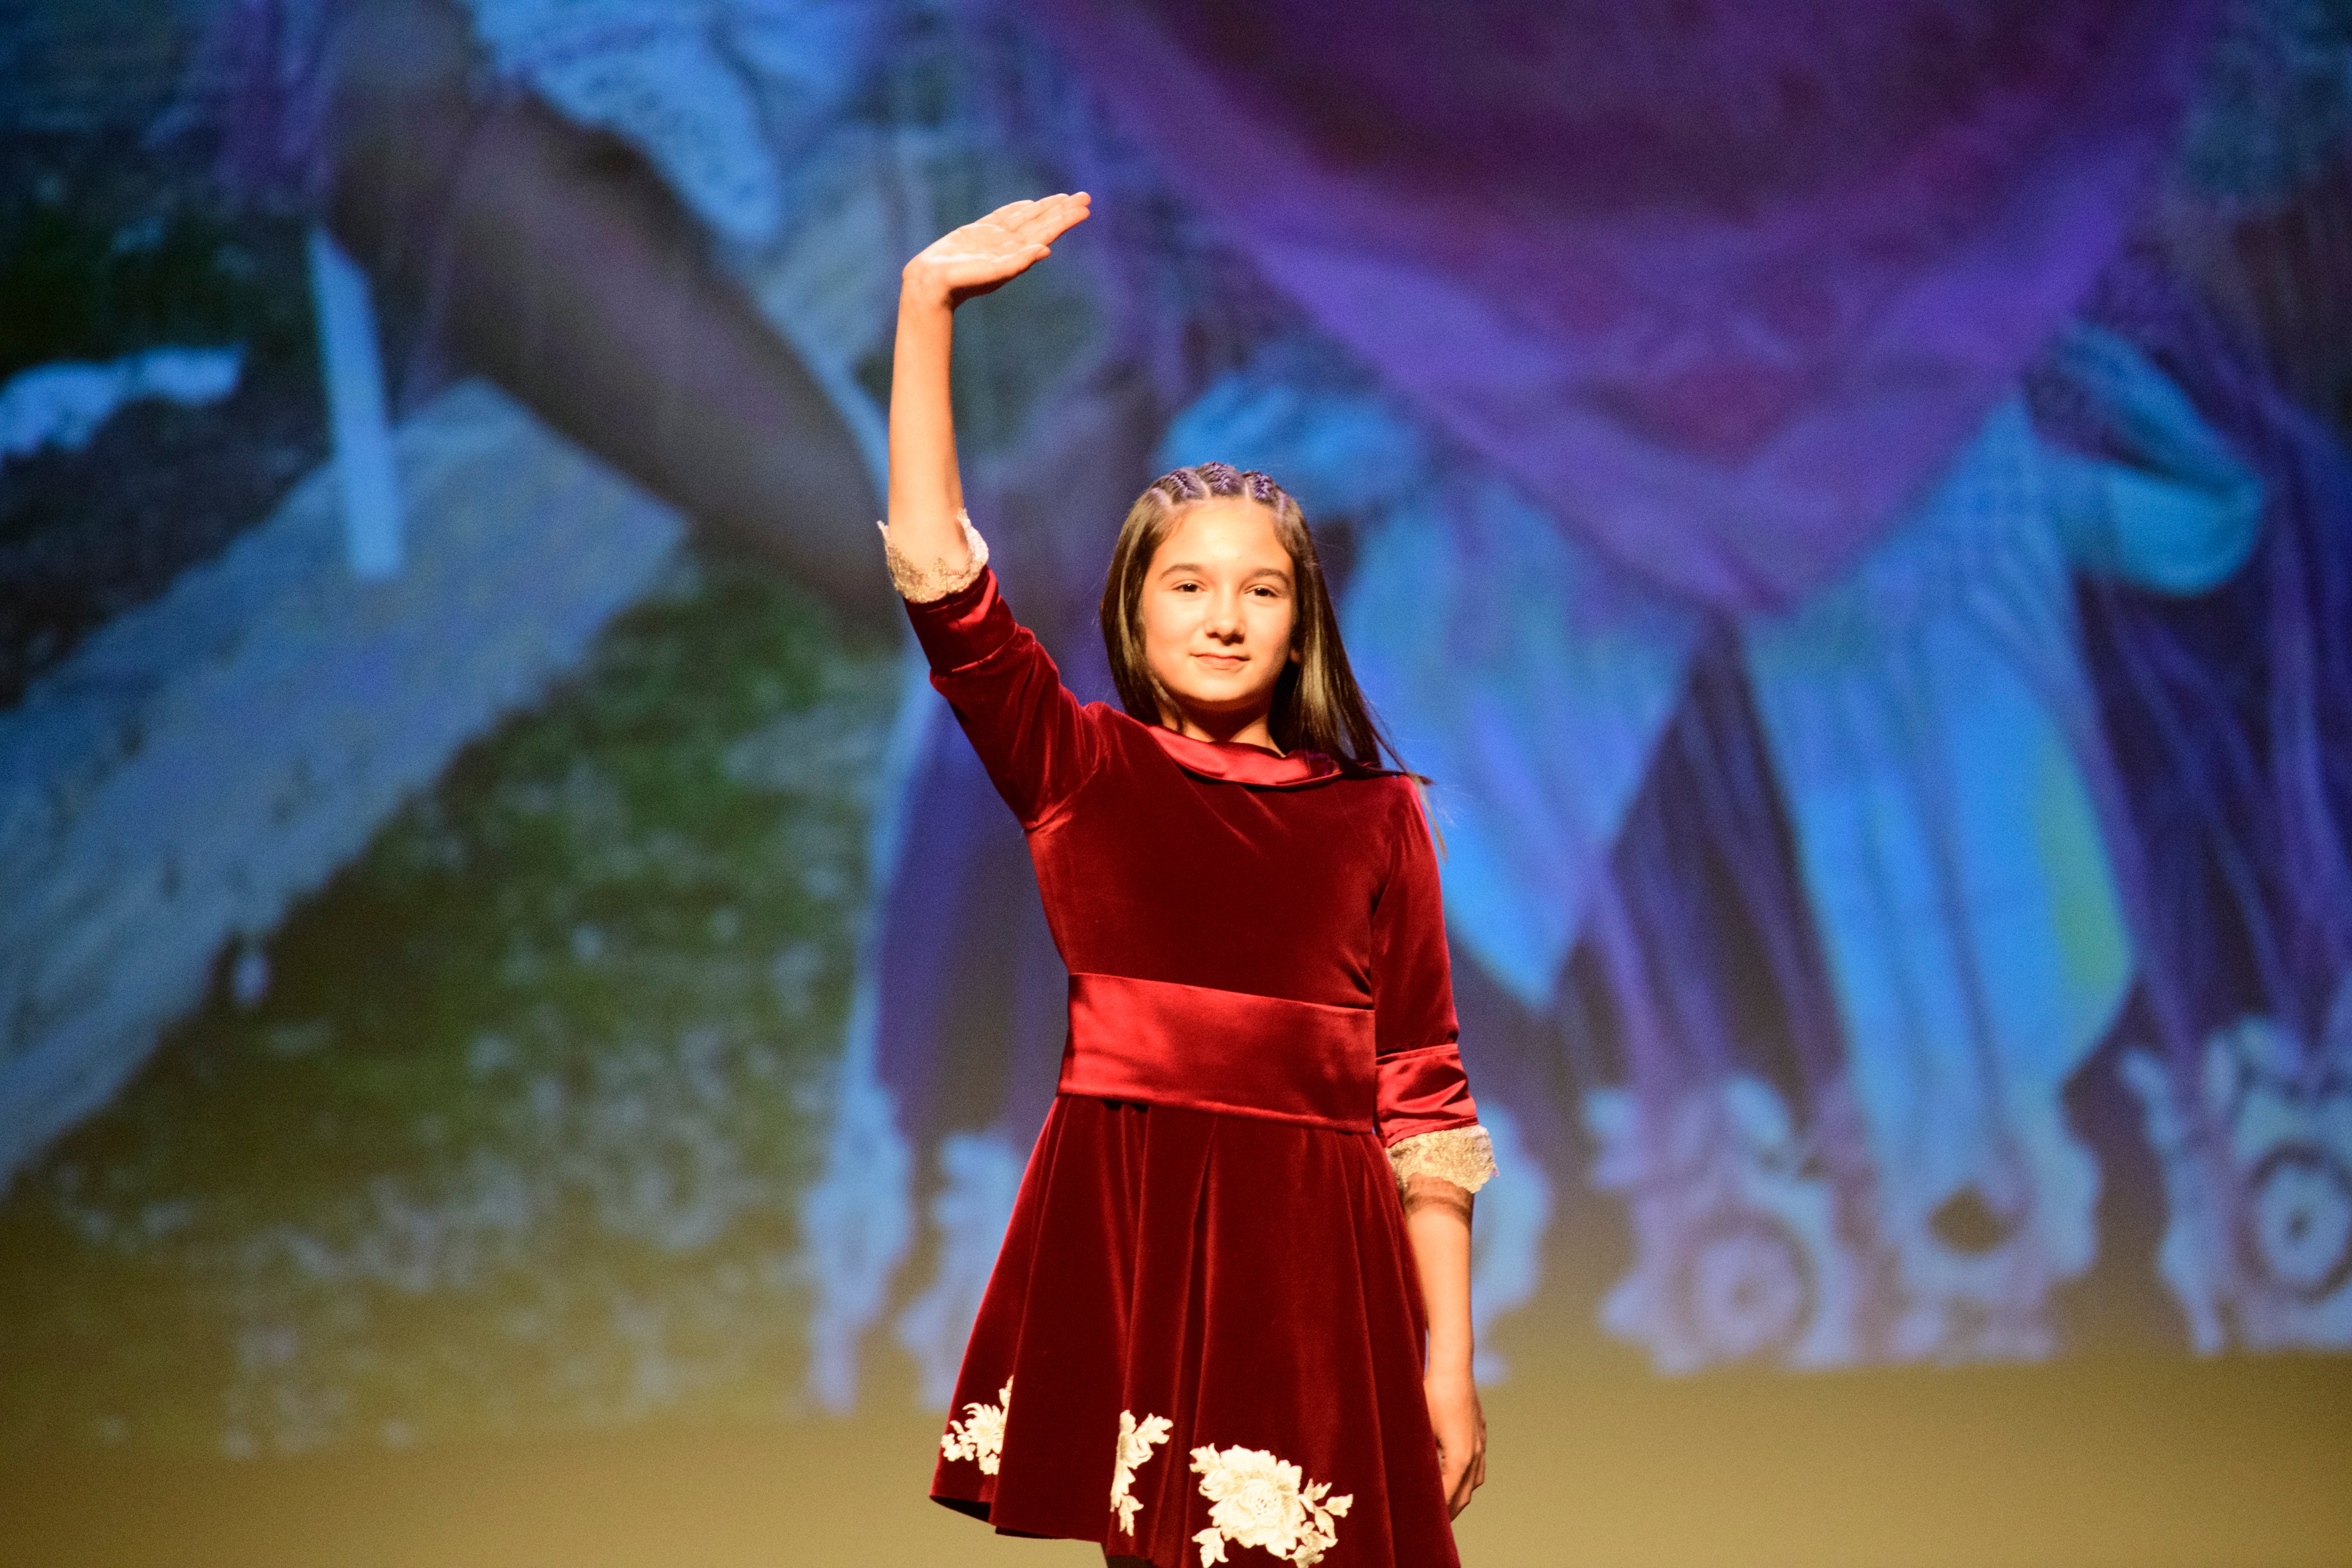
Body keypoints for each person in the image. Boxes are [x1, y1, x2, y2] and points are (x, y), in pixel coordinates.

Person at [880, 193, 1496, 1568]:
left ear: (1299, 624)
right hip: (1139, 1230)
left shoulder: (1379, 817)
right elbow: (936, 574)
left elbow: (1426, 1099)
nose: (1223, 614)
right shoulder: (1076, 770)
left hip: (1320, 1265)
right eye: (1189, 585)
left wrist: (1447, 1360)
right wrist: (924, 307)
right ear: (1133, 611)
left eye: (1261, 589)